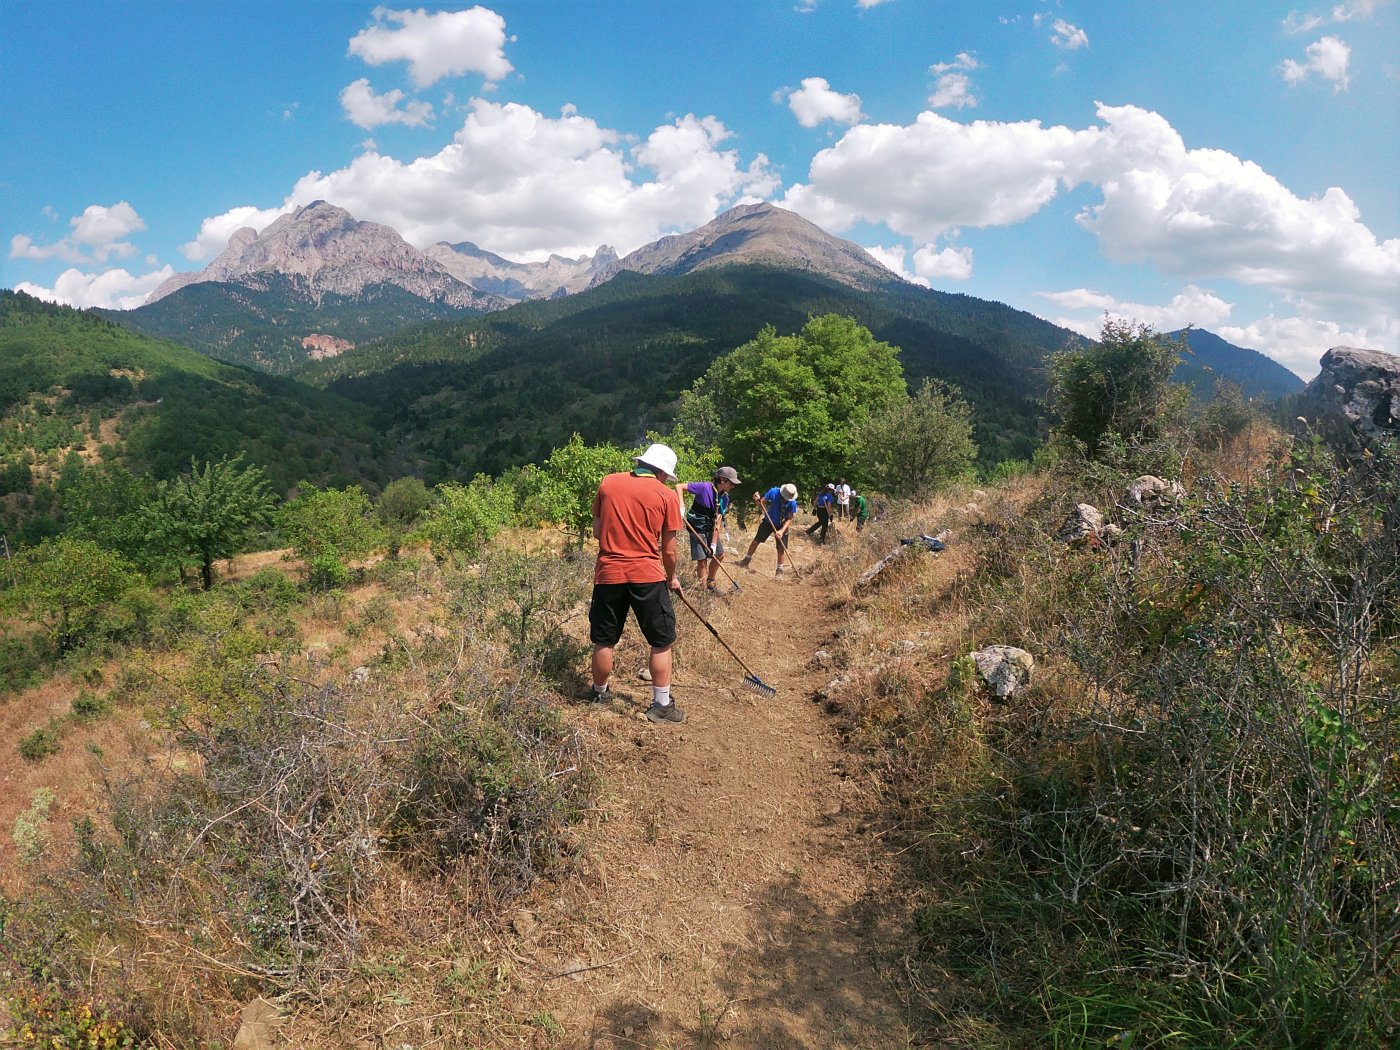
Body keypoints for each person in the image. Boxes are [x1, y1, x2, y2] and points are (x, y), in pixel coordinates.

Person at [587, 442, 686, 724]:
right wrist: (672, 577)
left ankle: (599, 694)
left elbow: (597, 530)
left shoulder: (608, 483)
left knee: (604, 639)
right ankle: (662, 705)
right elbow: (669, 550)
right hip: (648, 576)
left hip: (608, 574)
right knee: (661, 641)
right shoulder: (665, 496)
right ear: (662, 472)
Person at [676, 466, 740, 591]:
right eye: (731, 483)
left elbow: (718, 522)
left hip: (710, 528)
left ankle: (710, 581)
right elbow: (679, 486)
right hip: (697, 527)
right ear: (722, 480)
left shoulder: (725, 497)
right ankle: (703, 589)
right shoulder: (704, 487)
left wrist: (714, 544)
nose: (733, 486)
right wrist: (681, 506)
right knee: (702, 559)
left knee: (720, 554)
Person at [737, 482, 798, 575]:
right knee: (755, 541)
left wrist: (781, 531)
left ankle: (779, 571)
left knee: (781, 548)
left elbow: (789, 518)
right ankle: (746, 560)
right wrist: (757, 499)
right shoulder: (773, 492)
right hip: (768, 521)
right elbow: (760, 504)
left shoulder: (792, 503)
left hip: (782, 525)